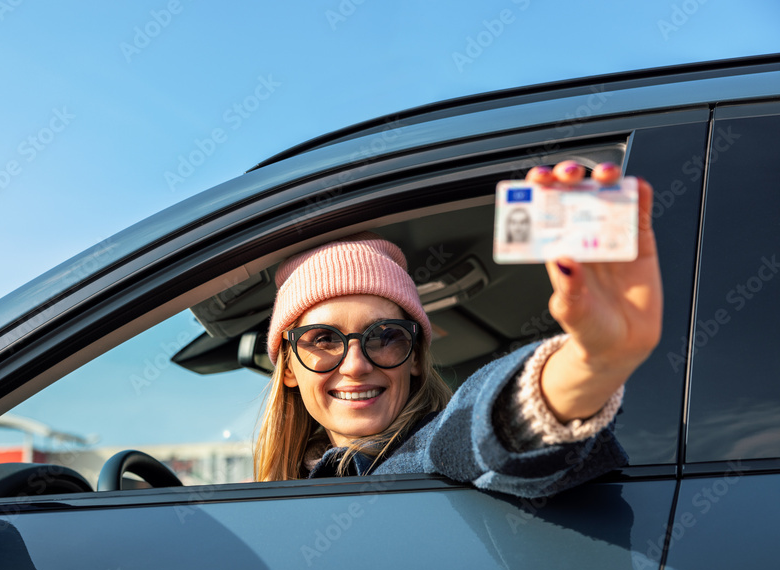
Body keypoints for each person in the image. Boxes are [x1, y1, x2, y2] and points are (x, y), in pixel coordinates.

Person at [253, 161, 661, 498]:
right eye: (323, 339)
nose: (356, 365)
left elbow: (486, 424)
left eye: (384, 336)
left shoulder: (430, 452)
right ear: (288, 367)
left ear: (414, 358)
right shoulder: (282, 493)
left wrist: (592, 363)